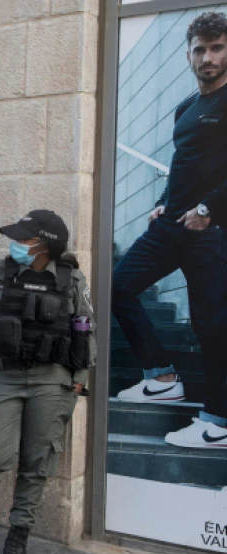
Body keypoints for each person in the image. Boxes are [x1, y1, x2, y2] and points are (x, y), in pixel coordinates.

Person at [111, 11, 227, 448]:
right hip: (171, 227)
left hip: (208, 231)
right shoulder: (185, 108)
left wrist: (209, 209)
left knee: (211, 326)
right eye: (200, 49)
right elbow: (180, 169)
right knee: (117, 287)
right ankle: (160, 375)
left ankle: (218, 420)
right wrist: (161, 204)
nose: (208, 57)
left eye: (217, 47)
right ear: (187, 56)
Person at [0, 211, 95, 554]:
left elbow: (86, 329)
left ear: (43, 245)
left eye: (23, 239)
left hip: (53, 380)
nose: (15, 245)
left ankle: (18, 533)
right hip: (8, 376)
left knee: (36, 463)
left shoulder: (71, 279)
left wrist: (80, 381)